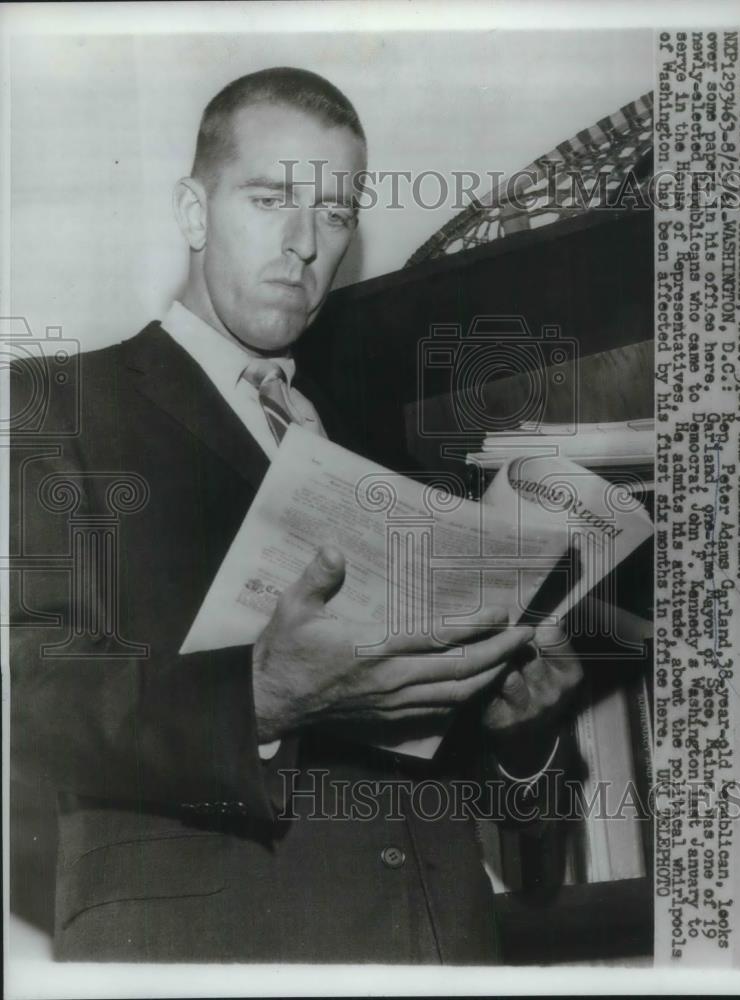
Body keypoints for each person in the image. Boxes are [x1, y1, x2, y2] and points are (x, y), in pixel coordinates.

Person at [9, 67, 582, 963]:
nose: (304, 243)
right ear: (194, 213)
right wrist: (256, 699)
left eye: (336, 211)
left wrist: (525, 737)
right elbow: (25, 698)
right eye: (271, 196)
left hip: (442, 951)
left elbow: (507, 826)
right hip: (210, 951)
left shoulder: (391, 456)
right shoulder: (52, 406)